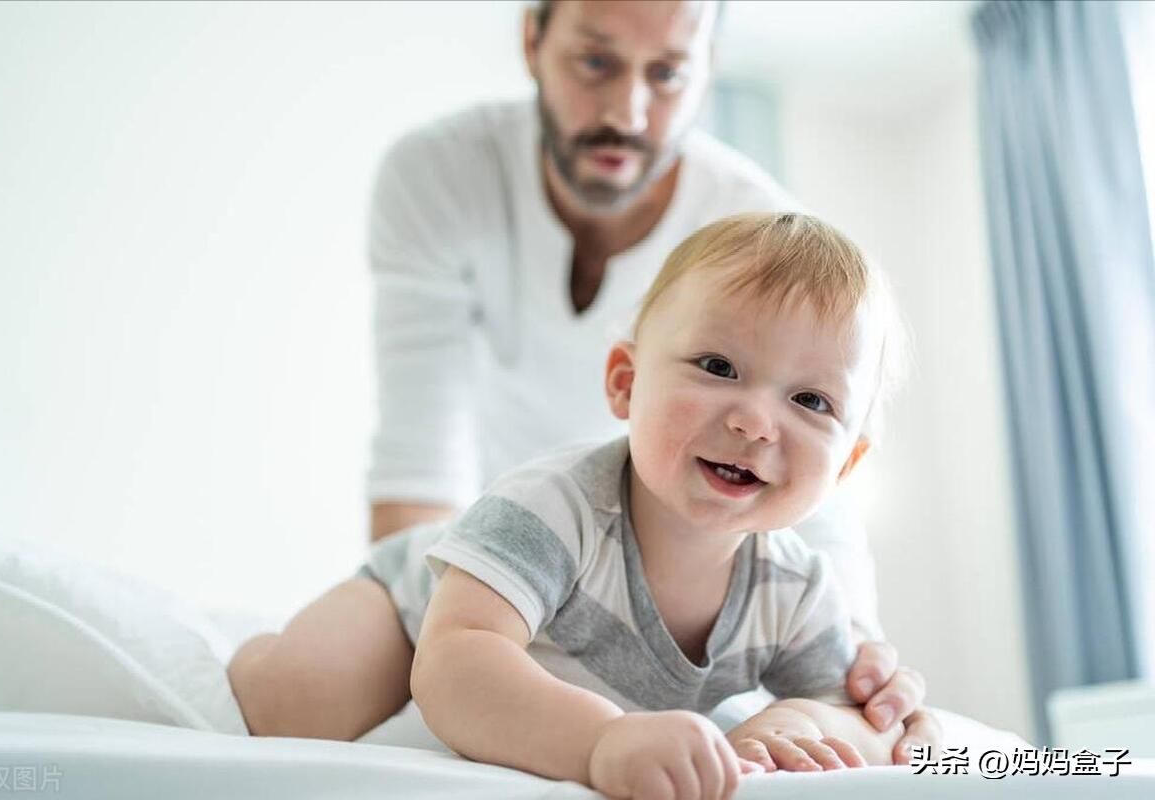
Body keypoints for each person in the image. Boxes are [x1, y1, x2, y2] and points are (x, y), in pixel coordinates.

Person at [363, 0, 935, 751]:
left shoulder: (758, 233)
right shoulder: (437, 174)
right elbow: (419, 451)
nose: (627, 112)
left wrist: (860, 666)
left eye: (667, 74)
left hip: (673, 574)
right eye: (596, 61)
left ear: (706, 72)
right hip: (509, 547)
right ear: (533, 40)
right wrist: (440, 636)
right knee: (301, 698)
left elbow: (812, 495)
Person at [230, 213, 912, 799]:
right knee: (290, 708)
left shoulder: (795, 591)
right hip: (425, 608)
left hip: (501, 633)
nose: (757, 422)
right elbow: (454, 662)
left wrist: (801, 727)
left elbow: (850, 707)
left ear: (848, 463)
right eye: (717, 367)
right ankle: (258, 650)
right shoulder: (553, 507)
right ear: (626, 382)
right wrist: (600, 741)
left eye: (811, 401)